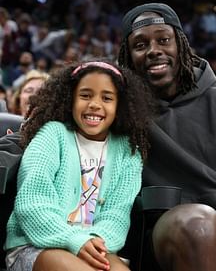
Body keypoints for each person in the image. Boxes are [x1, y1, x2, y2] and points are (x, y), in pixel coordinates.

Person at [118, 3, 216, 271]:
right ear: (129, 57)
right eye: (140, 45)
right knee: (196, 223)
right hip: (163, 232)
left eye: (163, 40)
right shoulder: (123, 110)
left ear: (180, 44)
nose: (154, 50)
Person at [4, 60, 152, 271]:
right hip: (35, 245)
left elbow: (117, 215)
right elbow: (32, 203)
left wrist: (95, 242)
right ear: (70, 99)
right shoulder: (52, 134)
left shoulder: (128, 151)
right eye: (85, 95)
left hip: (95, 246)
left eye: (107, 98)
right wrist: (74, 240)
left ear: (120, 106)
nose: (95, 104)